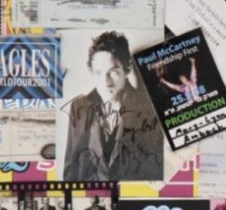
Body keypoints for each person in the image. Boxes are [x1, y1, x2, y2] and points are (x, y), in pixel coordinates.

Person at [63, 31, 163, 181]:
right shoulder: (79, 107)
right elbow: (71, 170)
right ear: (91, 72)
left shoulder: (148, 108)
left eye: (113, 72)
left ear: (126, 69)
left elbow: (155, 170)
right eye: (98, 72)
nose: (105, 82)